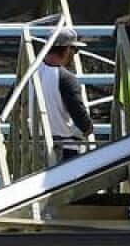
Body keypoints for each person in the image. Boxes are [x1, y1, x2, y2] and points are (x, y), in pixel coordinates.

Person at [36, 27, 94, 162]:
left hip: (35, 145)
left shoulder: (29, 73)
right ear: (67, 49)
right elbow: (81, 119)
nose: (75, 54)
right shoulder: (66, 78)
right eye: (75, 50)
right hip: (65, 149)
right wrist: (89, 128)